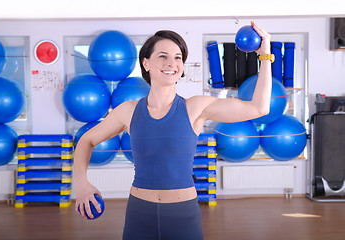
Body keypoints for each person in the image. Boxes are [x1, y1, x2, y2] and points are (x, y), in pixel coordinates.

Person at [74, 21, 272, 240]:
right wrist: (81, 183)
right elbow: (86, 140)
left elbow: (259, 108)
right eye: (163, 56)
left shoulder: (196, 107)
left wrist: (265, 56)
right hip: (139, 214)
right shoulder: (128, 111)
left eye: (178, 57)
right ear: (146, 63)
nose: (172, 63)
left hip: (182, 215)